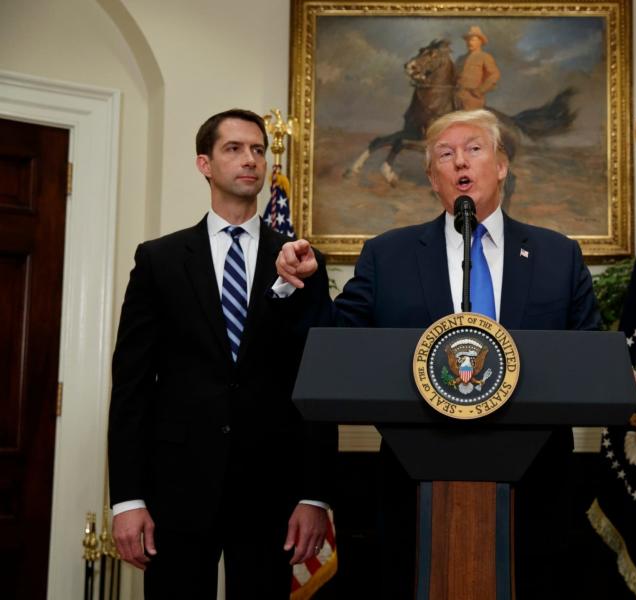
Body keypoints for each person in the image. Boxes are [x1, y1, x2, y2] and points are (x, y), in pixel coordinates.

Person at [275, 108, 601, 597]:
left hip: (536, 485)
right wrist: (304, 284)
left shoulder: (558, 255)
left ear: (502, 164)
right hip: (416, 479)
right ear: (432, 178)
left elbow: (588, 356)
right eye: (445, 156)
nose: (460, 163)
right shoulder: (389, 255)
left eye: (474, 148)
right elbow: (339, 344)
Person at [108, 109, 335, 599]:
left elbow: (318, 384)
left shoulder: (300, 259)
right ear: (204, 163)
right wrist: (126, 499)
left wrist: (313, 494)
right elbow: (131, 386)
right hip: (177, 489)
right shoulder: (159, 260)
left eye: (258, 149)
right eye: (234, 149)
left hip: (273, 493)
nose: (250, 159)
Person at [455, 26, 501, 110]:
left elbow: (494, 75)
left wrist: (480, 90)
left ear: (480, 42)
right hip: (456, 97)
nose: (469, 42)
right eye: (468, 40)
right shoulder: (460, 58)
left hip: (473, 98)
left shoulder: (485, 57)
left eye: (473, 40)